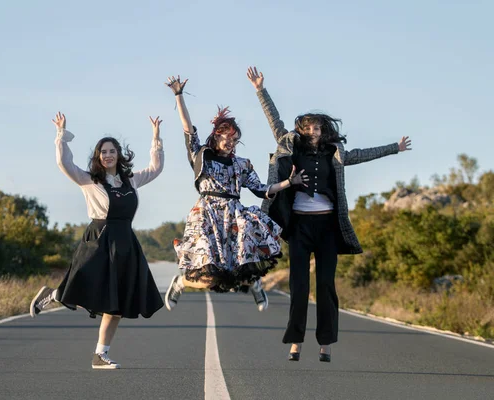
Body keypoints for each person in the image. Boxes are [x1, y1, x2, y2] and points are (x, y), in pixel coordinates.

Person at [247, 66, 412, 362]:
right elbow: (275, 121)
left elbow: (361, 154)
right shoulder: (290, 145)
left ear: (324, 131)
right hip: (298, 227)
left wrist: (394, 148)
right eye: (307, 127)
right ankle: (295, 342)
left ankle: (326, 343)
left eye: (317, 127)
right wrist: (260, 90)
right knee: (299, 286)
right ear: (301, 129)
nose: (312, 131)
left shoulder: (334, 153)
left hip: (326, 227)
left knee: (325, 285)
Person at [29, 112, 165, 369]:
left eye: (112, 151)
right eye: (103, 151)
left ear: (118, 155)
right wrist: (62, 135)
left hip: (125, 243)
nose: (108, 155)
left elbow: (155, 168)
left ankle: (99, 355)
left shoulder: (131, 180)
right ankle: (55, 294)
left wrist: (156, 138)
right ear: (98, 156)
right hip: (99, 239)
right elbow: (64, 164)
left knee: (116, 304)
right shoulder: (89, 181)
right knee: (86, 287)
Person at [163, 76, 309, 312]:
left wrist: (289, 183)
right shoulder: (202, 156)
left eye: (236, 140)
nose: (232, 143)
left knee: (238, 271)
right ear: (217, 135)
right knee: (210, 275)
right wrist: (179, 96)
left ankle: (255, 285)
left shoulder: (241, 164)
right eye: (228, 138)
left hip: (233, 216)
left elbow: (262, 190)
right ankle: (180, 283)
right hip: (207, 216)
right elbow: (188, 129)